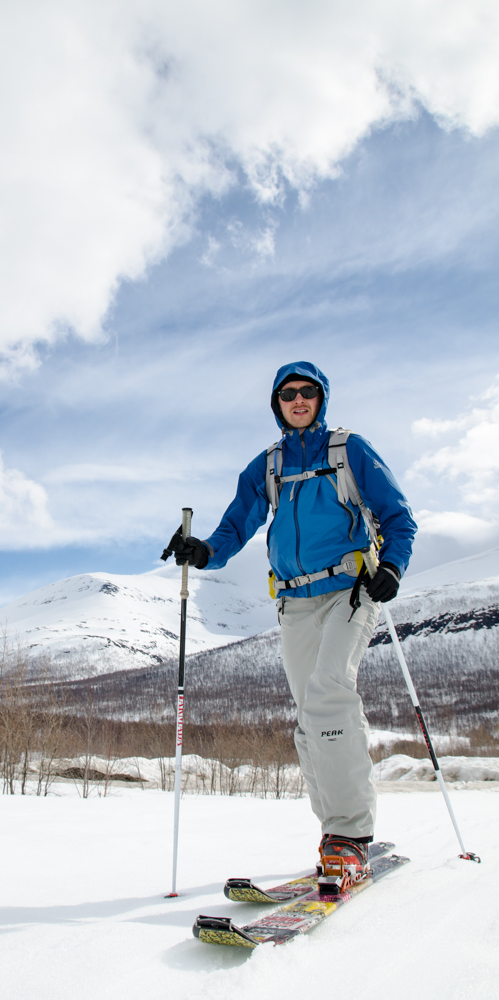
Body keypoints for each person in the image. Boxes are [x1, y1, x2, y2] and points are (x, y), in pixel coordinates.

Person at [171, 361, 417, 883]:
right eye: (288, 394)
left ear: (321, 399)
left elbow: (398, 515)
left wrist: (393, 565)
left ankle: (351, 834)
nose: (298, 400)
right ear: (277, 405)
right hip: (294, 601)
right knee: (310, 714)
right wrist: (205, 551)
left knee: (329, 692)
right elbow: (237, 525)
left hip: (351, 588)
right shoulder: (267, 466)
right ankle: (335, 834)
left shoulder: (349, 449)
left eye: (307, 392)